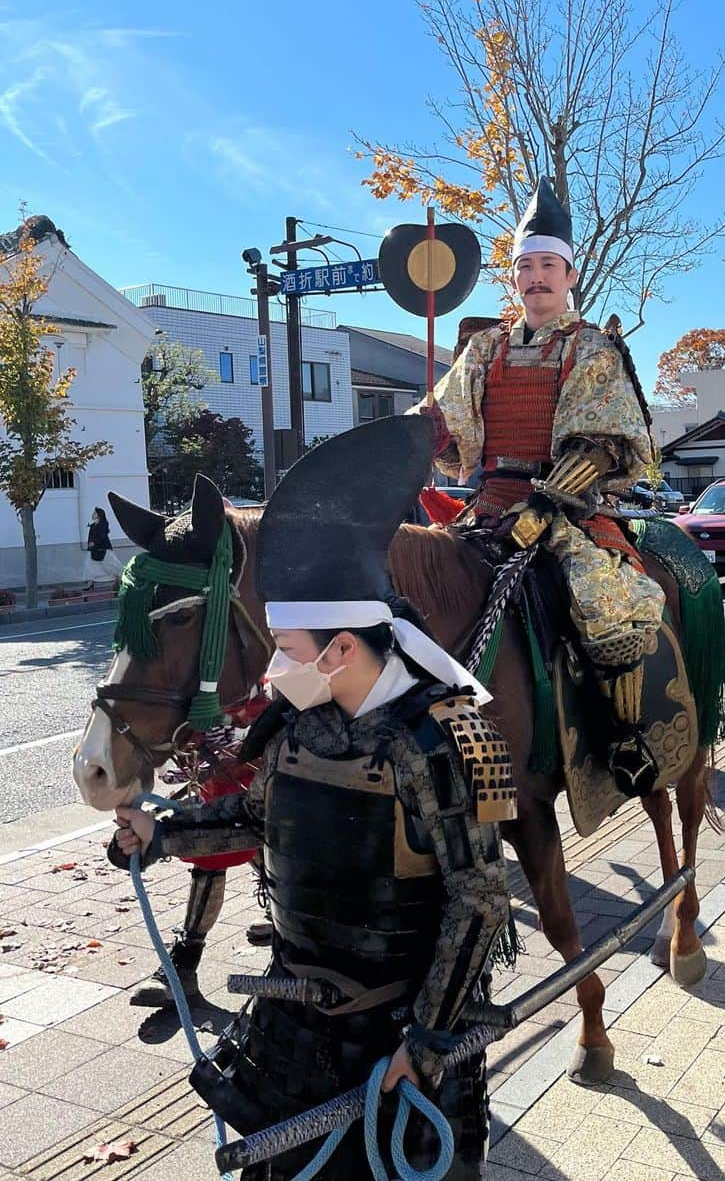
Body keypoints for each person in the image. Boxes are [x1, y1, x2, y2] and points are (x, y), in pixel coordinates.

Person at [110, 418, 513, 1180]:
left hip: (399, 1040)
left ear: (342, 650)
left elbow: (481, 901)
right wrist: (160, 835)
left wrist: (425, 1040)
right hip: (290, 1034)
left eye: (288, 655)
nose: (274, 674)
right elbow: (251, 819)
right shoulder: (298, 727)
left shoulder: (447, 739)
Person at [415, 177, 665, 797]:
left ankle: (624, 732)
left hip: (572, 510)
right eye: (525, 267)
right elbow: (444, 423)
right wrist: (419, 436)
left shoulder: (592, 348)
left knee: (605, 598)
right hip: (490, 504)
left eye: (548, 265)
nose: (536, 277)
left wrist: (547, 502)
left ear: (570, 274)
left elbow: (606, 443)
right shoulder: (484, 349)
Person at [83, 506, 124, 587]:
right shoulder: (92, 525)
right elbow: (90, 537)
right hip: (93, 549)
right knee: (90, 564)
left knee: (112, 563)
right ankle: (90, 582)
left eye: (94, 513)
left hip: (104, 547)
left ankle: (120, 577)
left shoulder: (104, 523)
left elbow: (102, 535)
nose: (93, 514)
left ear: (99, 515)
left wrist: (94, 542)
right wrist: (90, 546)